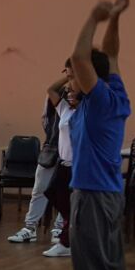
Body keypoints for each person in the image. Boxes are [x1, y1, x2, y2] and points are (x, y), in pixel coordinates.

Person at [55, 0, 132, 270]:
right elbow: (110, 53)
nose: (69, 78)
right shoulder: (116, 92)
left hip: (92, 196)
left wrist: (93, 16)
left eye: (72, 75)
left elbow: (81, 57)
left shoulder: (100, 99)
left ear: (89, 79)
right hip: (111, 196)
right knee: (112, 265)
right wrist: (114, 18)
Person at [7, 83, 66, 245]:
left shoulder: (82, 101)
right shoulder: (57, 98)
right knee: (39, 189)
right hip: (51, 148)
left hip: (70, 153)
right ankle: (30, 228)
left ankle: (60, 228)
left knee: (64, 192)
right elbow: (46, 120)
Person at [42, 71, 81, 258]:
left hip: (78, 166)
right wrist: (70, 76)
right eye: (68, 92)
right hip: (63, 164)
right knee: (54, 195)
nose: (70, 95)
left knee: (73, 206)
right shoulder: (64, 109)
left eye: (74, 93)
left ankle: (67, 242)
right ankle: (68, 238)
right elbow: (51, 90)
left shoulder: (86, 112)